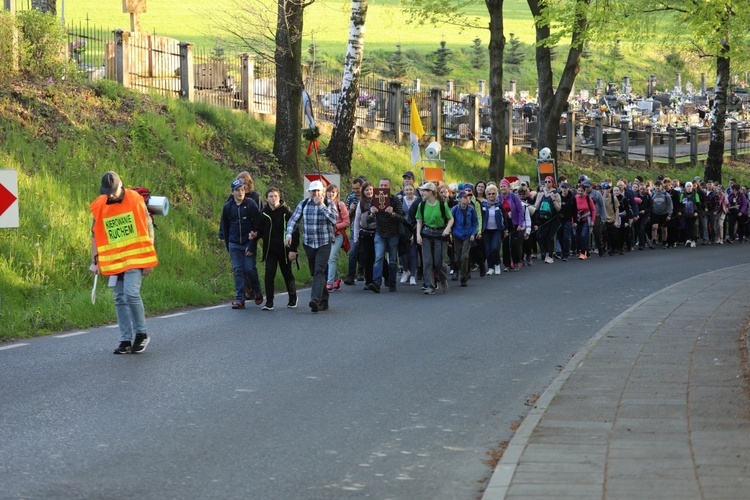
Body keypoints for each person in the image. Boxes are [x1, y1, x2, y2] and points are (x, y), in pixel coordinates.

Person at [90, 171, 158, 354]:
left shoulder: (135, 200)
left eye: (112, 190)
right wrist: (95, 261)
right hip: (114, 260)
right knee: (119, 298)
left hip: (135, 258)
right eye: (107, 191)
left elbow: (148, 228)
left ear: (121, 185)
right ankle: (125, 340)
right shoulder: (100, 205)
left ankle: (142, 334)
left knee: (130, 294)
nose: (110, 194)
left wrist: (148, 259)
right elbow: (95, 234)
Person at [286, 180, 338, 313]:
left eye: (318, 191)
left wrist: (321, 206)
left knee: (319, 270)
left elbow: (334, 219)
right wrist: (289, 234)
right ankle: (324, 299)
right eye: (313, 191)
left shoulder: (328, 203)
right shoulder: (304, 204)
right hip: (309, 243)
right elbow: (293, 220)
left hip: (324, 242)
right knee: (314, 271)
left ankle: (315, 299)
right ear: (309, 192)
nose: (315, 193)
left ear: (323, 192)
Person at [222, 179, 263, 309]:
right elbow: (225, 227)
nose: (240, 192)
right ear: (232, 192)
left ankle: (256, 291)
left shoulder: (251, 204)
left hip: (248, 242)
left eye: (242, 190)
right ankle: (240, 299)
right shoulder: (228, 207)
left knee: (249, 269)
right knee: (237, 270)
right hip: (234, 243)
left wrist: (252, 243)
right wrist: (228, 245)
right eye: (237, 190)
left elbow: (258, 225)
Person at [256, 187, 299, 310]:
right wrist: (255, 235)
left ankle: (292, 298)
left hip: (285, 249)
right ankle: (269, 302)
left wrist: (293, 249)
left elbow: (295, 231)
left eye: (275, 196)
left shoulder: (287, 212)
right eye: (270, 196)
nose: (273, 198)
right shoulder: (264, 212)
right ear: (266, 198)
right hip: (270, 250)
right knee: (269, 274)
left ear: (279, 197)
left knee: (287, 274)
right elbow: (260, 230)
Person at [416, 182, 454, 295]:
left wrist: (447, 229)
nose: (422, 193)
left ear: (431, 192)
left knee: (439, 262)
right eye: (422, 191)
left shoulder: (442, 205)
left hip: (440, 234)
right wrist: (418, 234)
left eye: (425, 191)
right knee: (427, 261)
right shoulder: (421, 205)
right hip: (426, 233)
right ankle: (430, 286)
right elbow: (419, 221)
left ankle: (443, 280)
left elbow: (451, 219)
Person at [369, 178, 405, 293]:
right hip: (380, 233)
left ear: (389, 187)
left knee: (393, 260)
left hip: (393, 234)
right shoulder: (374, 199)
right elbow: (369, 220)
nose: (383, 188)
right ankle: (376, 283)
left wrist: (392, 213)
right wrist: (372, 213)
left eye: (385, 185)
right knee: (378, 258)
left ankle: (392, 282)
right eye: (381, 185)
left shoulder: (395, 200)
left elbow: (401, 218)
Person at [352, 181, 377, 290]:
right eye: (367, 190)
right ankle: (369, 281)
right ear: (363, 191)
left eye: (371, 189)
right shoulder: (361, 203)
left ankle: (386, 278)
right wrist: (356, 236)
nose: (369, 192)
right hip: (365, 233)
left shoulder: (378, 201)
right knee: (367, 258)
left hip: (376, 232)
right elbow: (357, 221)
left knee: (378, 256)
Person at [325, 184, 350, 293]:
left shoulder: (340, 205)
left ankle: (329, 283)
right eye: (329, 192)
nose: (331, 194)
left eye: (333, 192)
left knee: (332, 257)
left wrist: (336, 226)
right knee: (329, 258)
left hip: (338, 234)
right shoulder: (323, 204)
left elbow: (347, 221)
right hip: (326, 235)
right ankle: (336, 279)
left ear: (336, 194)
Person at [451, 189, 479, 287]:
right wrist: (450, 233)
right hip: (457, 235)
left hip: (467, 235)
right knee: (457, 258)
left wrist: (473, 234)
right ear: (459, 199)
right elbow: (450, 221)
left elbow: (475, 222)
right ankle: (463, 270)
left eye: (468, 197)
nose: (467, 199)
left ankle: (463, 278)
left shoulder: (471, 209)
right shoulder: (455, 209)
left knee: (465, 257)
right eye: (464, 197)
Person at [498, 179, 525, 271]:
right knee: (505, 244)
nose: (502, 188)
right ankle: (507, 264)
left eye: (504, 186)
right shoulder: (499, 197)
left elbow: (520, 210)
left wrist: (520, 223)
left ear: (508, 187)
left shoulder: (514, 197)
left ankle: (517, 262)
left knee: (514, 244)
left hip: (514, 222)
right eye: (501, 186)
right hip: (504, 223)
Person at [534, 176, 562, 264]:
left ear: (552, 182)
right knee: (541, 236)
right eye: (545, 182)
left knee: (550, 237)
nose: (547, 184)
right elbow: (536, 207)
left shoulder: (556, 193)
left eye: (549, 182)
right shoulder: (540, 193)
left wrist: (553, 199)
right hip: (542, 218)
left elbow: (558, 208)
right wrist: (539, 197)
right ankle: (545, 252)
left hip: (552, 219)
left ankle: (550, 255)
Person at [481, 183, 506, 275]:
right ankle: (490, 267)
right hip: (486, 230)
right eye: (489, 194)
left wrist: (505, 229)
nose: (491, 195)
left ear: (496, 194)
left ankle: (497, 264)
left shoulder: (499, 204)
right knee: (487, 250)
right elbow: (480, 217)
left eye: (493, 193)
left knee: (495, 248)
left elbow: (504, 217)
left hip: (496, 229)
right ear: (486, 194)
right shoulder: (483, 204)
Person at [344, 177, 364, 285]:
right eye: (353, 188)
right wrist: (350, 209)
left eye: (357, 188)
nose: (355, 191)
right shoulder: (350, 198)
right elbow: (345, 216)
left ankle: (361, 271)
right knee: (352, 252)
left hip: (365, 229)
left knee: (363, 252)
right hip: (353, 229)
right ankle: (351, 275)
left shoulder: (366, 197)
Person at [399, 184, 419, 286]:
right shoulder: (400, 200)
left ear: (414, 190)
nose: (409, 191)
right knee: (403, 252)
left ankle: (413, 276)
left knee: (412, 253)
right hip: (403, 230)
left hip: (415, 228)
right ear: (403, 191)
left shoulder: (418, 200)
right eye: (406, 190)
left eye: (411, 189)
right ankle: (405, 271)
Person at [573, 185, 596, 260]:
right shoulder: (574, 198)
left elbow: (593, 210)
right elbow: (572, 211)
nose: (580, 192)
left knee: (583, 235)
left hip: (586, 219)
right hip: (577, 220)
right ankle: (585, 250)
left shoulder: (587, 198)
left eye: (582, 191)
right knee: (578, 237)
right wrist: (573, 221)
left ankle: (583, 253)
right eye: (579, 191)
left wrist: (593, 220)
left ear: (584, 191)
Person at [650, 180, 673, 249]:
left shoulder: (666, 195)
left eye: (658, 186)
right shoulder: (653, 194)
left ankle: (664, 242)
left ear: (661, 186)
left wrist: (669, 215)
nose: (657, 188)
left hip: (664, 213)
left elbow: (670, 205)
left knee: (664, 229)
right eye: (656, 186)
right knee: (654, 227)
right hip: (655, 213)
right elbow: (650, 204)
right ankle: (654, 241)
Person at [678, 181, 701, 248]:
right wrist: (680, 211)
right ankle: (688, 239)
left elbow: (698, 204)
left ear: (692, 187)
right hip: (685, 213)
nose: (689, 188)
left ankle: (693, 240)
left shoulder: (695, 195)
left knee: (692, 226)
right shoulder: (682, 195)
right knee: (686, 226)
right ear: (685, 187)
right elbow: (680, 204)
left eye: (690, 186)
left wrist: (697, 212)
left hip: (693, 213)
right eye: (687, 186)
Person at [557, 181, 576, 261]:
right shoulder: (558, 196)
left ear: (568, 188)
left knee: (566, 237)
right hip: (558, 220)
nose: (564, 189)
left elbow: (575, 210)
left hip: (568, 219)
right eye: (562, 188)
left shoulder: (572, 197)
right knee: (560, 237)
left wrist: (575, 221)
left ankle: (566, 254)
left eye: (565, 188)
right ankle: (562, 251)